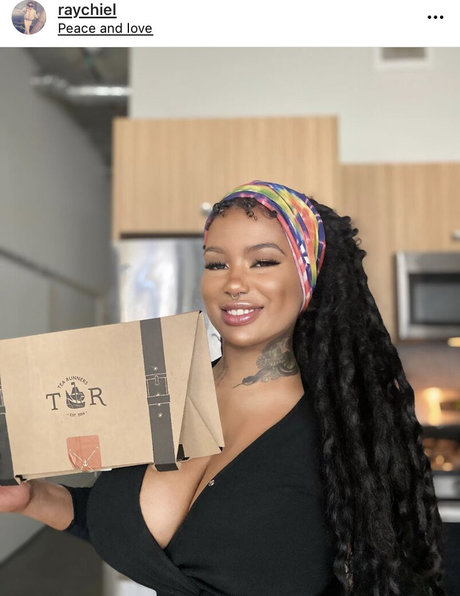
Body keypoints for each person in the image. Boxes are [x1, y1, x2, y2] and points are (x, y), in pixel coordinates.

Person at [0, 181, 445, 595]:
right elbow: (134, 532)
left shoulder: (345, 433)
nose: (233, 282)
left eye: (263, 261)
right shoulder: (160, 394)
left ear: (309, 277)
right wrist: (35, 498)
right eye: (216, 263)